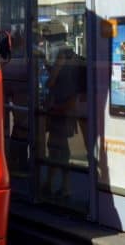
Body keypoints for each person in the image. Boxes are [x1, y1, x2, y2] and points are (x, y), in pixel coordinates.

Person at [42, 48, 81, 199]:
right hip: (60, 115)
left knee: (56, 149)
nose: (56, 60)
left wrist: (56, 68)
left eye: (59, 58)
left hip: (62, 116)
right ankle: (59, 185)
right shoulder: (65, 73)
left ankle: (54, 184)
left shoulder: (66, 74)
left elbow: (50, 83)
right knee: (58, 149)